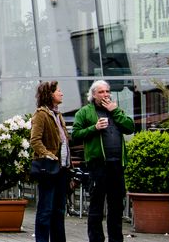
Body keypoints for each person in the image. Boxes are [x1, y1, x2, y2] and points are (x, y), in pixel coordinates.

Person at [72, 80, 136, 242]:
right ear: (93, 95)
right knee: (97, 205)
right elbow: (75, 135)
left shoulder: (116, 110)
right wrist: (94, 128)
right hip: (98, 165)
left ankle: (116, 239)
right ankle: (96, 239)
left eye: (107, 91)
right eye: (101, 92)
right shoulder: (85, 112)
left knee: (116, 206)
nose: (105, 95)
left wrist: (115, 111)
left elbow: (130, 127)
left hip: (117, 164)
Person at [31, 80, 71, 242]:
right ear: (49, 94)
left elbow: (64, 141)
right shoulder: (41, 114)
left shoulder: (58, 115)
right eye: (58, 91)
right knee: (46, 209)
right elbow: (35, 140)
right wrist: (49, 155)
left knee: (59, 210)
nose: (61, 93)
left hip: (62, 168)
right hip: (49, 169)